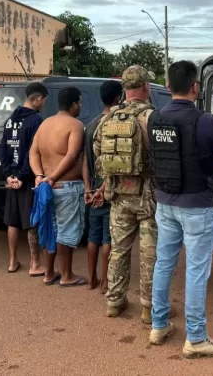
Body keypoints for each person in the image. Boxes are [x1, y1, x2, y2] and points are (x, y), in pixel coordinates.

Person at [147, 61, 213, 359]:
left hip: (165, 202)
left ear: (169, 86)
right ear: (195, 86)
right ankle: (196, 338)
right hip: (197, 205)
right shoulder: (206, 121)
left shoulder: (155, 118)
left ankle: (159, 326)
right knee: (197, 271)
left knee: (163, 263)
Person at [94, 65, 174, 323]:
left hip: (118, 193)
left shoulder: (108, 119)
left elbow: (98, 151)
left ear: (124, 90)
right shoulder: (152, 117)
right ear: (146, 87)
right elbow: (165, 156)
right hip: (148, 194)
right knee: (151, 252)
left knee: (119, 248)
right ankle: (149, 308)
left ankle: (114, 302)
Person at [30, 86, 87, 287]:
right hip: (66, 186)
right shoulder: (75, 125)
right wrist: (51, 177)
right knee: (66, 232)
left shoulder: (44, 124)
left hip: (46, 187)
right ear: (74, 104)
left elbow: (33, 152)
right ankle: (66, 275)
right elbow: (71, 156)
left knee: (50, 229)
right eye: (79, 102)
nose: (80, 106)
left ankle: (48, 273)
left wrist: (40, 175)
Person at [0, 82, 48, 275]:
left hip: (11, 178)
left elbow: (3, 149)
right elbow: (32, 152)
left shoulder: (10, 120)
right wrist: (21, 176)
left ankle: (12, 262)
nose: (43, 104)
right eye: (43, 100)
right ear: (38, 99)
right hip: (26, 179)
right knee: (31, 221)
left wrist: (8, 175)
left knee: (12, 221)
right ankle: (35, 264)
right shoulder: (36, 121)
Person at [82, 80, 122, 293]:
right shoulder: (115, 125)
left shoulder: (89, 125)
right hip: (107, 192)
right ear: (118, 98)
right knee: (108, 239)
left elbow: (84, 162)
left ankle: (91, 279)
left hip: (91, 193)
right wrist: (102, 189)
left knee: (92, 237)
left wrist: (88, 189)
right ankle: (105, 282)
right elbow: (114, 162)